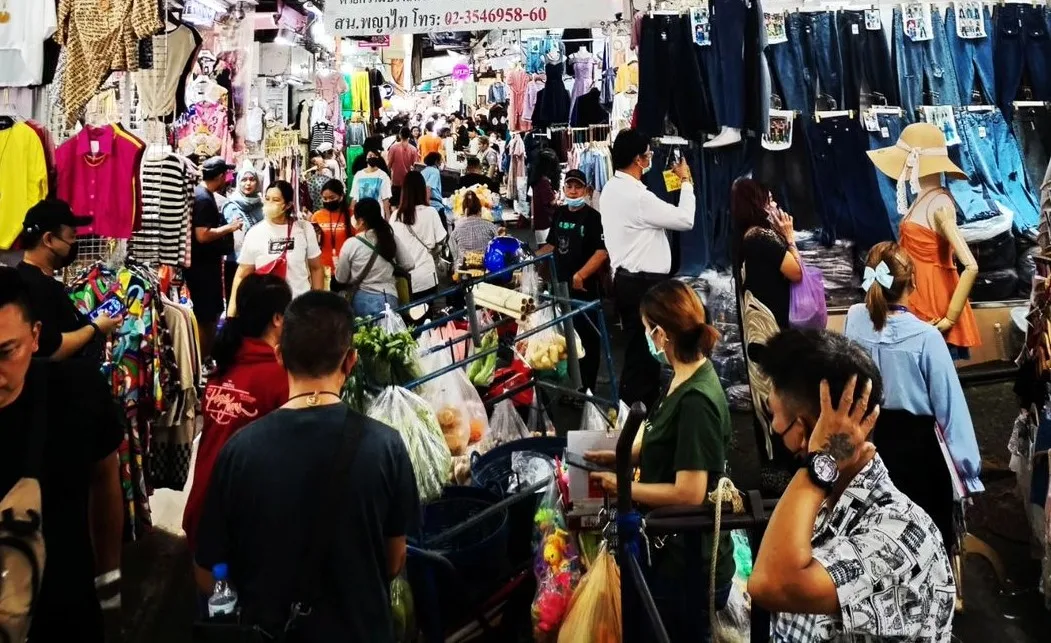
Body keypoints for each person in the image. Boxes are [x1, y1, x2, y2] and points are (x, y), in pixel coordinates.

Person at [194, 291, 420, 642]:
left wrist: (239, 605)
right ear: (351, 361)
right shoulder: (385, 446)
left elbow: (209, 572)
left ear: (280, 357)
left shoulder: (239, 452)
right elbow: (394, 561)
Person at [747, 329, 955, 641]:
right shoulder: (820, 502)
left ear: (806, 432)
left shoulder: (900, 537)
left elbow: (769, 584)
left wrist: (822, 463)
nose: (774, 426)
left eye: (773, 414)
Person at [585, 280, 734, 642]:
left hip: (688, 566)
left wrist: (623, 486)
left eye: (645, 328)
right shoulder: (683, 376)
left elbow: (689, 492)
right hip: (670, 549)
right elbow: (661, 434)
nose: (645, 338)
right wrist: (619, 452)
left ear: (661, 334)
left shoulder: (697, 399)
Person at [0, 267, 124, 643]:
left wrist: (109, 576)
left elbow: (105, 481)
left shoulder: (77, 394)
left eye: (7, 352)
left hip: (65, 612)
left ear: (36, 336)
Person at [844, 241, 982, 555]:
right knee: (924, 543)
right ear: (913, 284)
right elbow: (951, 410)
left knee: (875, 540)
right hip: (919, 454)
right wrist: (968, 472)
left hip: (865, 444)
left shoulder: (854, 319)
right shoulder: (927, 338)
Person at [183, 274, 291, 552]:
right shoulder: (280, 378)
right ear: (278, 318)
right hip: (237, 528)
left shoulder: (223, 367)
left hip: (201, 513)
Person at [599, 129, 693, 410]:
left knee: (638, 352)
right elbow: (685, 219)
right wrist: (686, 181)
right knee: (645, 357)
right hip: (643, 285)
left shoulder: (611, 189)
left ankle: (631, 414)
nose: (650, 159)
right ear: (639, 159)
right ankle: (635, 420)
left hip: (626, 281)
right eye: (648, 155)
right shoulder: (638, 197)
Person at [730, 178, 804, 496]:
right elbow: (796, 272)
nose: (774, 205)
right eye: (769, 199)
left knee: (765, 398)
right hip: (771, 330)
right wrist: (790, 238)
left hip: (756, 329)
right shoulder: (763, 237)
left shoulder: (743, 239)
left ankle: (772, 469)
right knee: (779, 395)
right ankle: (783, 473)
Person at [15, 199, 122, 361]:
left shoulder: (28, 278)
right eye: (71, 236)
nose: (74, 243)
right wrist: (95, 328)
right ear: (49, 240)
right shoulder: (39, 288)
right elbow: (51, 351)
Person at [537, 169, 607, 396]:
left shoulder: (594, 218)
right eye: (569, 186)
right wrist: (531, 259)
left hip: (584, 289)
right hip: (561, 288)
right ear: (564, 189)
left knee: (588, 340)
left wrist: (581, 275)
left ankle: (587, 390)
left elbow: (602, 252)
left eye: (578, 186)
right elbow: (552, 245)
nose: (573, 191)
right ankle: (573, 388)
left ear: (586, 190)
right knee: (567, 339)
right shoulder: (558, 214)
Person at [229, 181, 324, 313]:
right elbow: (242, 274)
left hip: (299, 310)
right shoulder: (255, 233)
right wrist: (232, 314)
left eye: (276, 200)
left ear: (288, 205)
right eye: (267, 199)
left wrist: (317, 305)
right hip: (266, 311)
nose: (269, 203)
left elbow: (316, 268)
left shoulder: (304, 229)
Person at [186, 156, 243, 358]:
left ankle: (205, 358)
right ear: (220, 176)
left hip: (203, 265)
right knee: (207, 316)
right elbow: (202, 235)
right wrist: (230, 227)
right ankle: (202, 361)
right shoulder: (203, 198)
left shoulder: (200, 194)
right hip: (202, 268)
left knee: (210, 314)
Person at [334, 198, 415, 317]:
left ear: (361, 221)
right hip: (389, 298)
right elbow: (409, 264)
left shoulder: (351, 244)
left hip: (361, 301)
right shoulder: (390, 238)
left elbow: (341, 278)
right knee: (389, 335)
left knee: (365, 335)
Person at [391, 171, 448, 309]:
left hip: (405, 281)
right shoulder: (431, 213)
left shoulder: (395, 216)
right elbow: (442, 239)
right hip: (427, 278)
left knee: (410, 322)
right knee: (427, 321)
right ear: (423, 190)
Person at [221, 165, 265, 302]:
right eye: (244, 179)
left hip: (259, 260)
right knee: (236, 300)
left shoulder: (262, 205)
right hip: (236, 261)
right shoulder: (231, 206)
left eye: (252, 179)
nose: (248, 183)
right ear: (238, 182)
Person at [310, 179, 356, 275]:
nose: (328, 201)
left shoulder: (352, 215)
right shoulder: (317, 216)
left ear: (341, 197)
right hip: (323, 269)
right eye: (325, 198)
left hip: (347, 269)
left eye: (332, 197)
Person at [451, 190, 499, 268]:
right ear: (480, 209)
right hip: (486, 269)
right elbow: (497, 244)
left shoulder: (457, 228)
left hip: (464, 268)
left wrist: (456, 260)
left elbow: (453, 249)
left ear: (464, 210)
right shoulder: (490, 226)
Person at [529, 148, 561, 246]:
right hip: (546, 221)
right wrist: (558, 196)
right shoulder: (544, 182)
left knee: (543, 248)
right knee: (547, 250)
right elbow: (551, 201)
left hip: (540, 220)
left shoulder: (536, 180)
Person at [351, 150, 395, 219]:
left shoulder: (383, 175)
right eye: (370, 155)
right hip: (361, 215)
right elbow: (355, 197)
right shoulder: (358, 175)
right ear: (366, 158)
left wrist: (388, 217)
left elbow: (385, 199)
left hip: (377, 216)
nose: (372, 157)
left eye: (375, 156)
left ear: (378, 158)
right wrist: (351, 214)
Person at [386, 127, 420, 205]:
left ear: (400, 135)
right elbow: (416, 166)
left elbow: (389, 165)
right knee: (407, 203)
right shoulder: (413, 149)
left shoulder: (393, 148)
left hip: (396, 181)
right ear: (409, 135)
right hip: (408, 181)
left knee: (395, 204)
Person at [421, 151, 448, 224]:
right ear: (436, 161)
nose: (441, 163)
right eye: (440, 161)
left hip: (423, 202)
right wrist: (427, 207)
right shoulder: (435, 171)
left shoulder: (423, 171)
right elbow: (428, 187)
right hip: (435, 206)